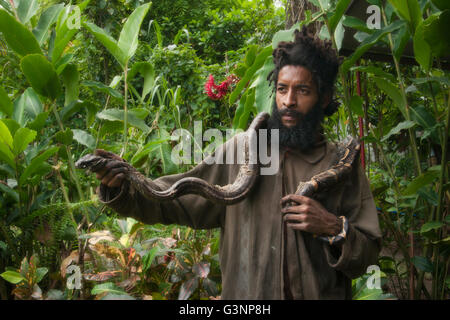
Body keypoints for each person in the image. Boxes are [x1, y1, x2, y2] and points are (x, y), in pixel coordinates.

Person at [93, 27, 381, 299]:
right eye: (282, 89)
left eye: (302, 91)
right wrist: (124, 184)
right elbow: (174, 199)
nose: (289, 101)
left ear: (324, 97)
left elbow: (368, 256)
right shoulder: (241, 151)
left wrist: (332, 226)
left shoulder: (342, 166)